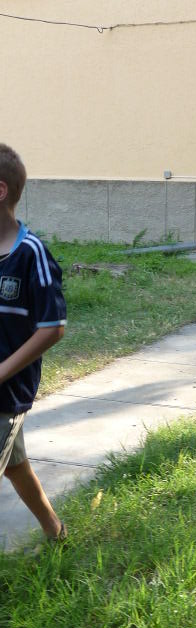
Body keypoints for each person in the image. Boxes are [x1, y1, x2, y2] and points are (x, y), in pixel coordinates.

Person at [0, 143, 67, 543]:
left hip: (6, 392)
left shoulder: (31, 254)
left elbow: (52, 326)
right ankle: (55, 531)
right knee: (14, 464)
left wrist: (2, 372)